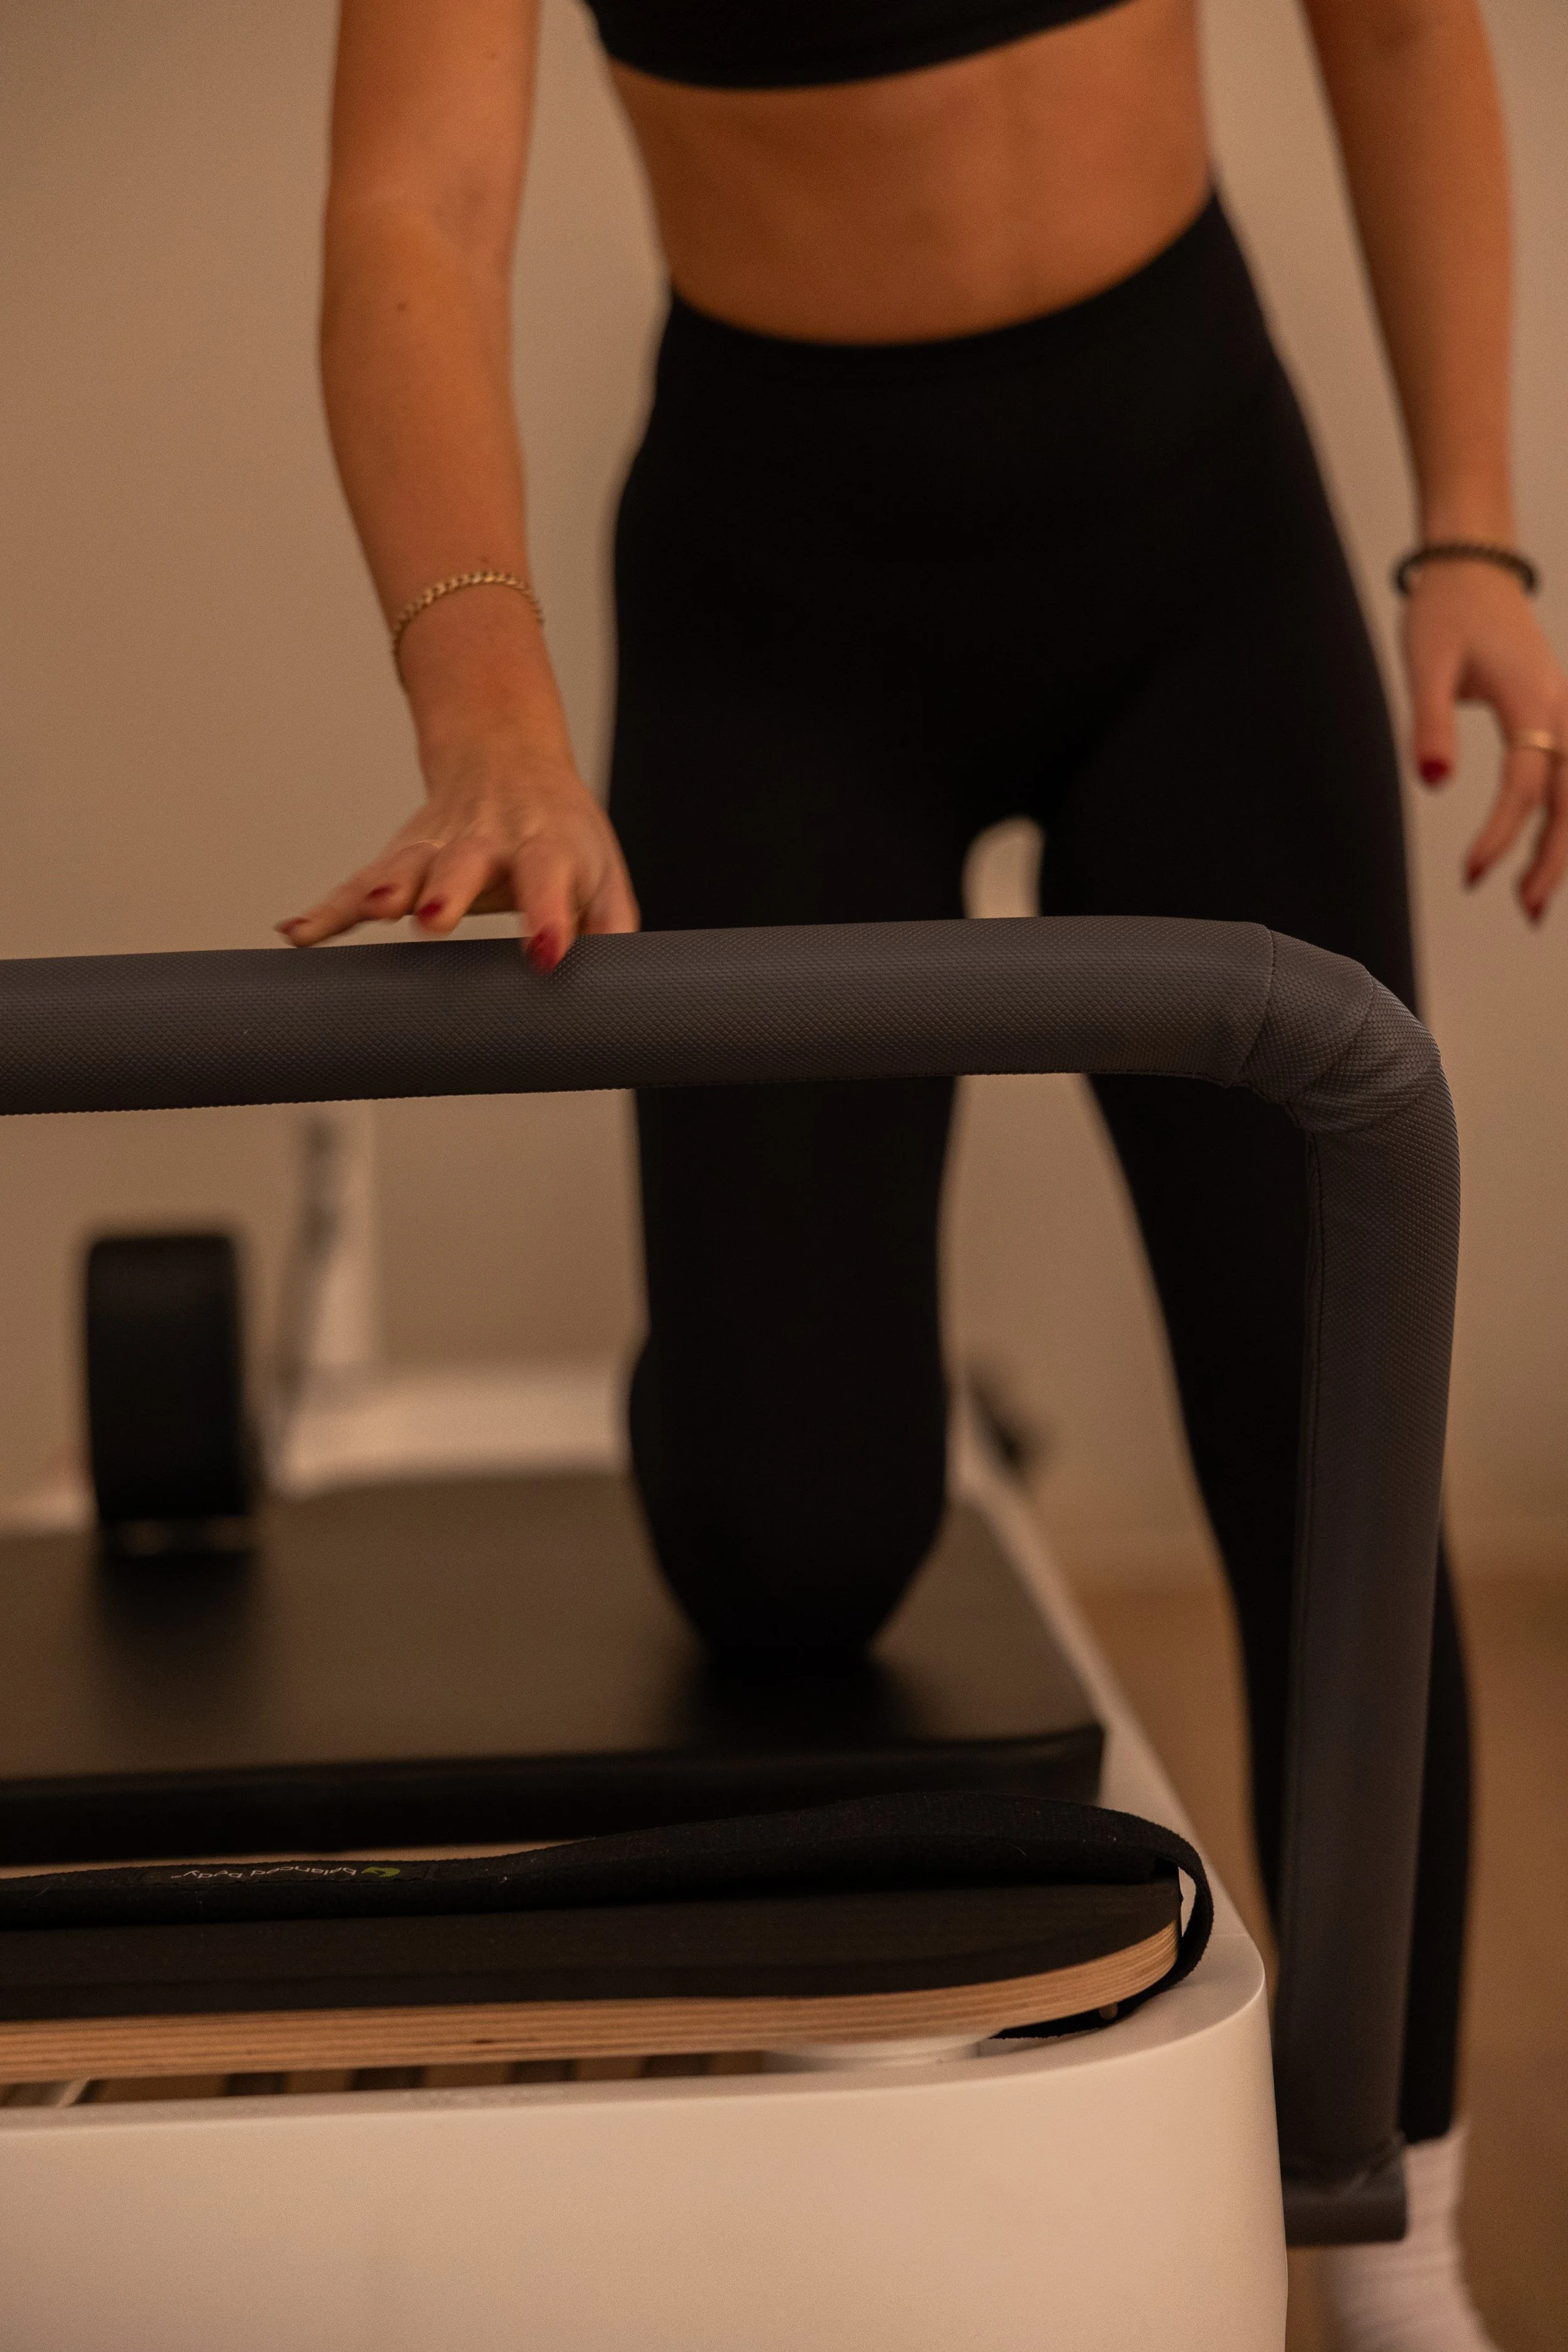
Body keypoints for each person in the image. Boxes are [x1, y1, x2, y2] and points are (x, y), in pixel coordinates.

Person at [282, 3, 1566, 2343]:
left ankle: (1390, 2247)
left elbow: (1392, 22)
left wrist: (1464, 524)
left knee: (1324, 1431)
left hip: (1193, 548)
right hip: (781, 605)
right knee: (794, 1542)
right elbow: (416, 201)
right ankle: (824, 1370)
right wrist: (495, 725)